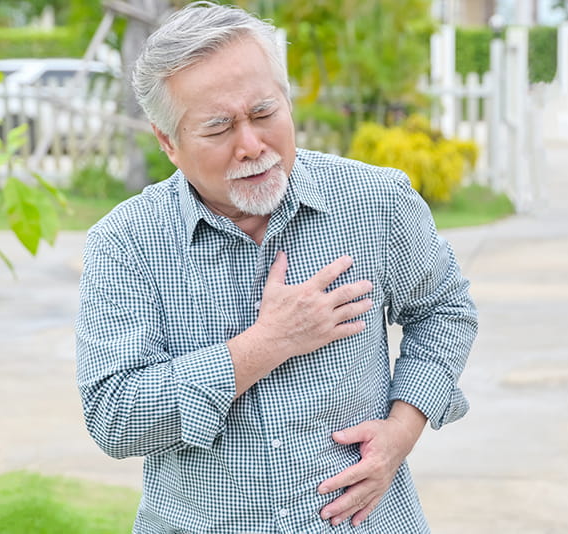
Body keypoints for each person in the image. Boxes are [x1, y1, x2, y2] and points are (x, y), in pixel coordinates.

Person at [75, 2, 478, 532]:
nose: (251, 145)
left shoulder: (377, 201)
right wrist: (265, 345)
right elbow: (114, 414)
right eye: (219, 128)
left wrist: (401, 431)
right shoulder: (125, 244)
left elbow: (446, 310)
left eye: (264, 113)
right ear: (167, 141)